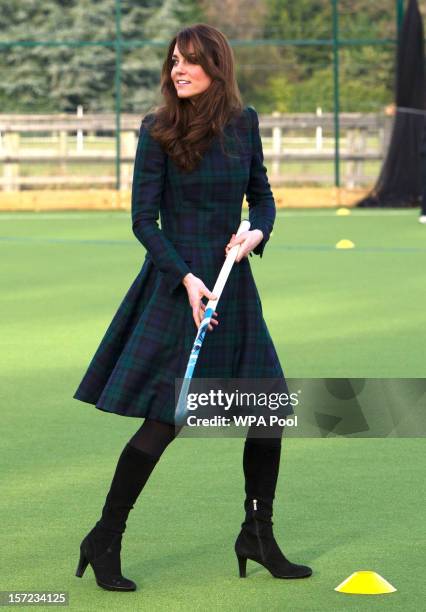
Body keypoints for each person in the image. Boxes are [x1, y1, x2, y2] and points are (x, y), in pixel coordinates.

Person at [72, 23, 312, 592]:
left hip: (234, 287)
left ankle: (257, 532)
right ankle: (105, 536)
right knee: (164, 422)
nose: (178, 69)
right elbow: (141, 221)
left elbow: (264, 197)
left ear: (216, 67)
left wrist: (257, 235)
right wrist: (185, 277)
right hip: (180, 286)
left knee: (268, 413)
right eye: (174, 60)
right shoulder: (156, 129)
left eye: (190, 61)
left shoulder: (243, 122)